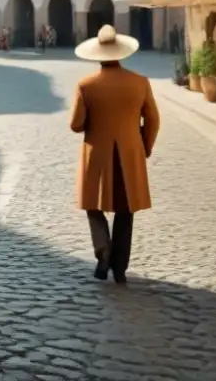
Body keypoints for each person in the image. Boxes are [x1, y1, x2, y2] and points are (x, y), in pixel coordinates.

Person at [69, 24, 160, 284]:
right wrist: (144, 145)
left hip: (96, 153)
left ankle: (103, 254)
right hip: (130, 153)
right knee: (125, 209)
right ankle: (120, 268)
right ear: (121, 53)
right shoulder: (140, 82)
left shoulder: (86, 85)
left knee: (92, 206)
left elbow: (75, 124)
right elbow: (153, 120)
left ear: (98, 54)